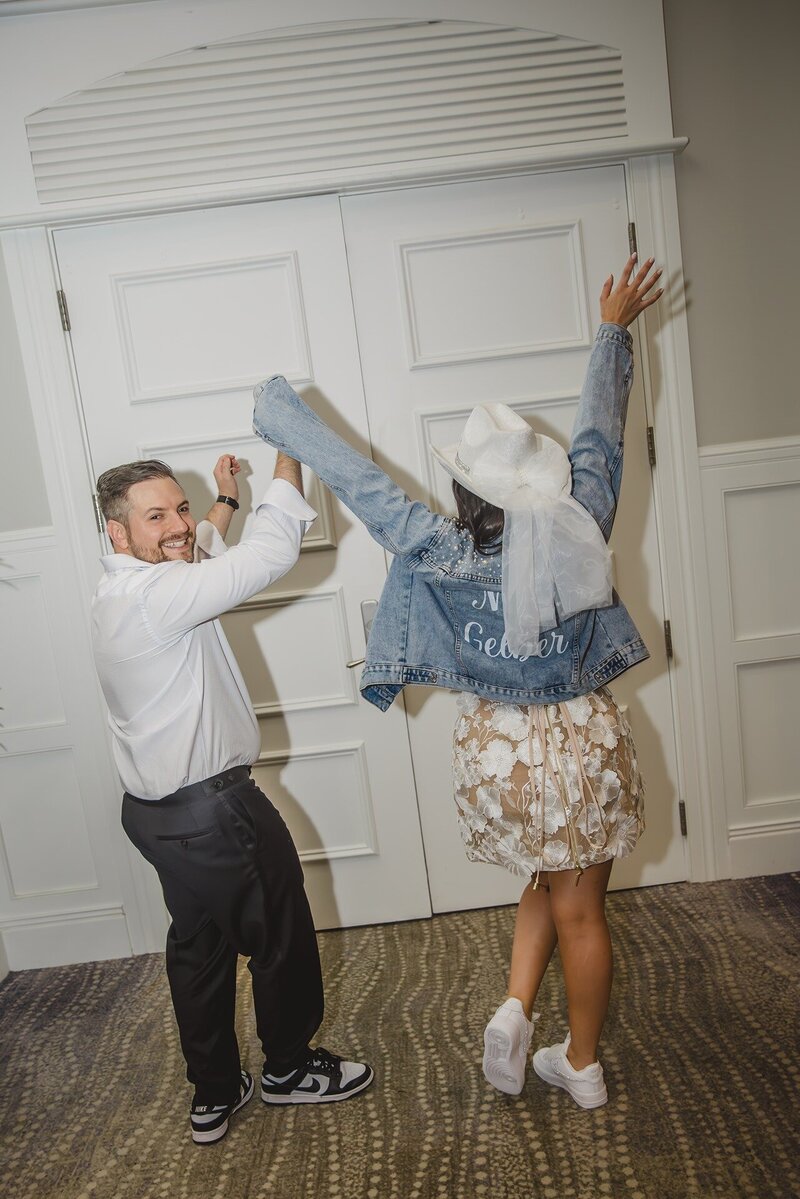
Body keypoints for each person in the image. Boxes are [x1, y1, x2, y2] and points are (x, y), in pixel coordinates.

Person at [252, 254, 663, 1110]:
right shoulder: (582, 522)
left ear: (468, 490)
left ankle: (516, 1007)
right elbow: (599, 434)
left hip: (502, 751)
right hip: (580, 735)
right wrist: (613, 330)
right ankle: (580, 1065)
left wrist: (281, 417)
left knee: (545, 880)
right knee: (582, 905)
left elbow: (364, 486)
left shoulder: (438, 546)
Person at [91, 449, 373, 1145]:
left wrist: (223, 500)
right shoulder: (160, 597)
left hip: (157, 817)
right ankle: (288, 1067)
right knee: (279, 936)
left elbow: (203, 546)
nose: (179, 525)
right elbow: (271, 555)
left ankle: (214, 1091)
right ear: (117, 533)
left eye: (180, 507)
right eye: (155, 515)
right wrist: (288, 455)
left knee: (200, 947)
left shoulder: (125, 589)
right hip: (216, 814)